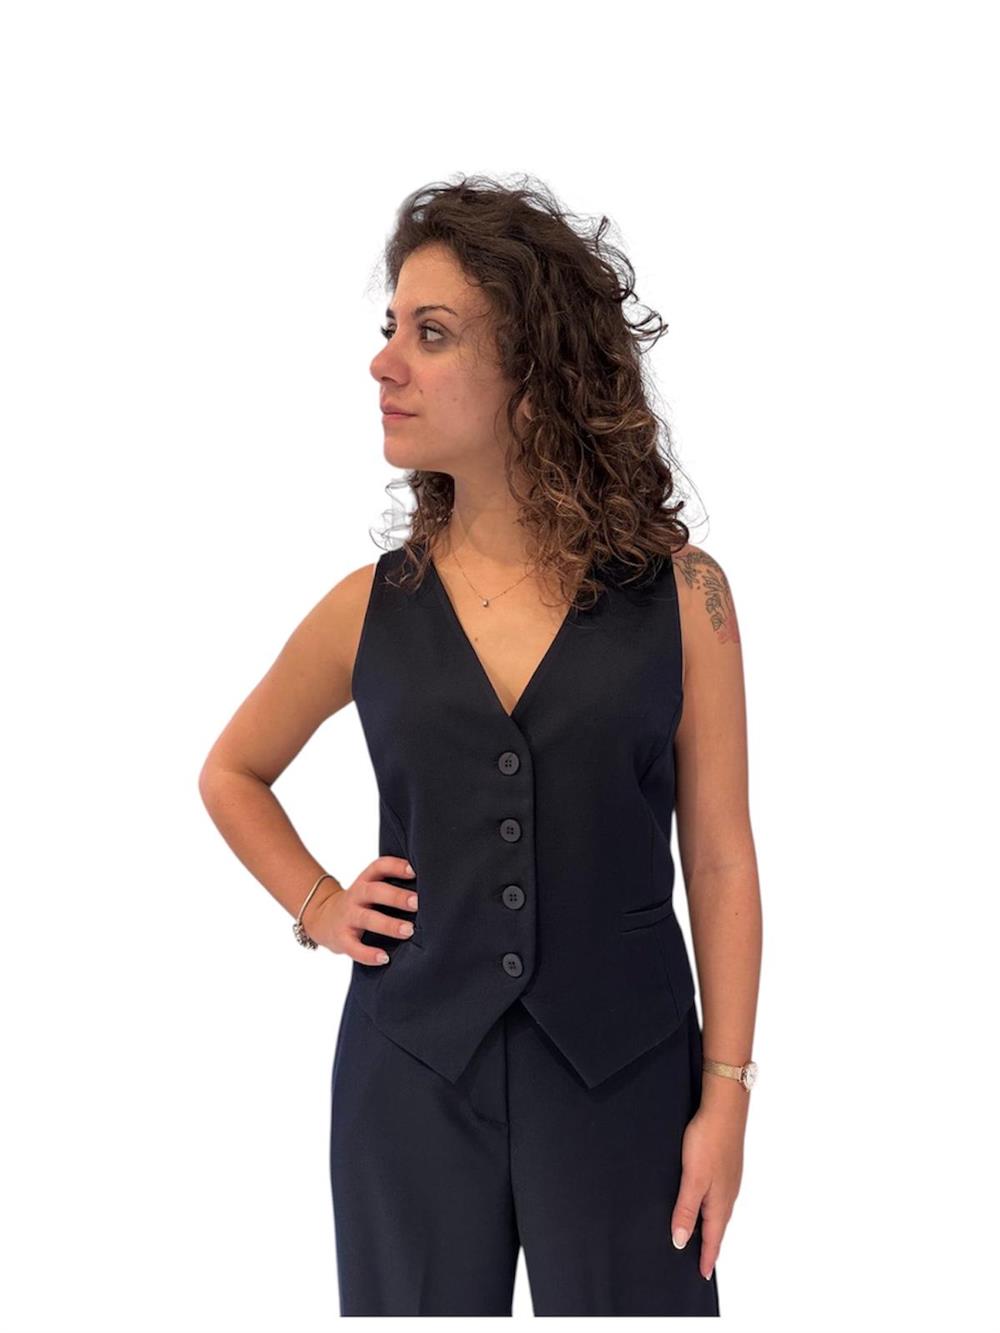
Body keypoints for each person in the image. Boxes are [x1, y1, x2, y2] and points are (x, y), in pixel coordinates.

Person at [198, 174, 762, 1317]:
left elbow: (717, 857)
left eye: (432, 333)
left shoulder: (684, 599)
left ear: (533, 369)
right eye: (389, 328)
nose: (384, 363)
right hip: (410, 1077)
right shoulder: (367, 609)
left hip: (627, 1077)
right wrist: (317, 904)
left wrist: (726, 1097)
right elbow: (231, 771)